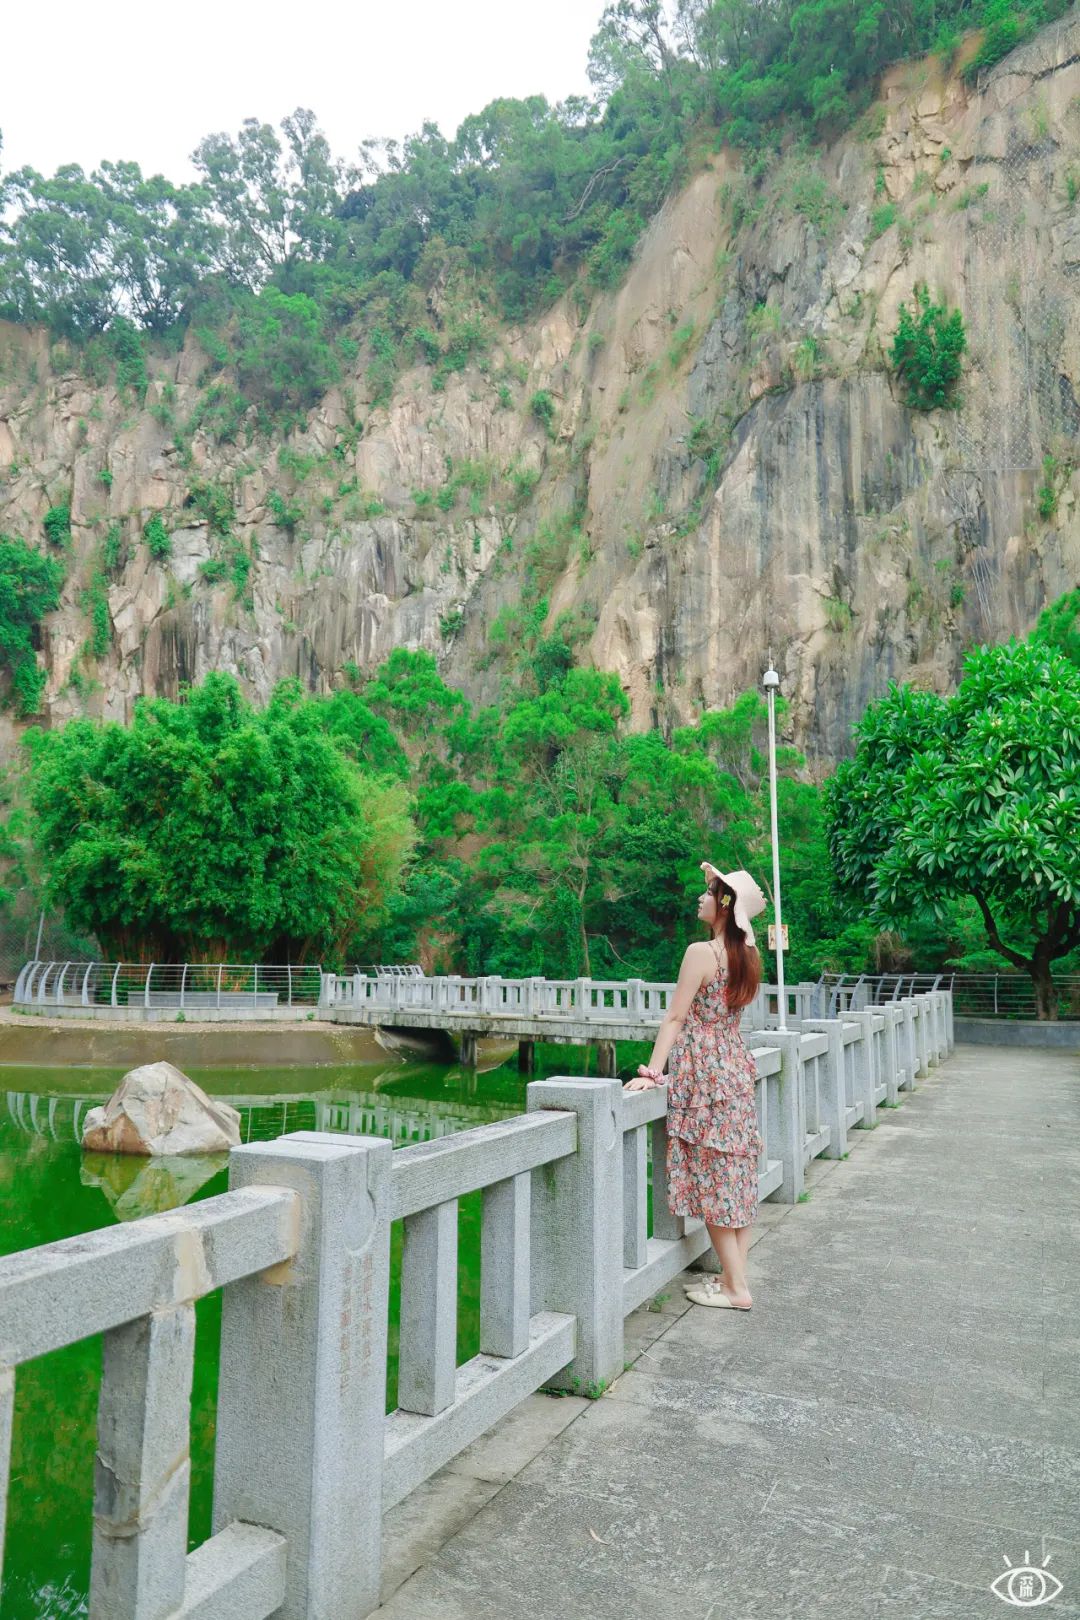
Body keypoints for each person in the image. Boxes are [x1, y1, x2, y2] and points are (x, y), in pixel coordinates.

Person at [624, 861, 765, 1310]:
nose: (700, 899)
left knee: (714, 1179)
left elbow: (675, 1017)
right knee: (736, 1176)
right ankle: (729, 1280)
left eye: (707, 893)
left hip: (704, 1074)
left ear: (724, 904)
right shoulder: (749, 955)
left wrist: (651, 1072)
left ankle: (739, 1290)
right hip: (735, 1069)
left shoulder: (700, 953)